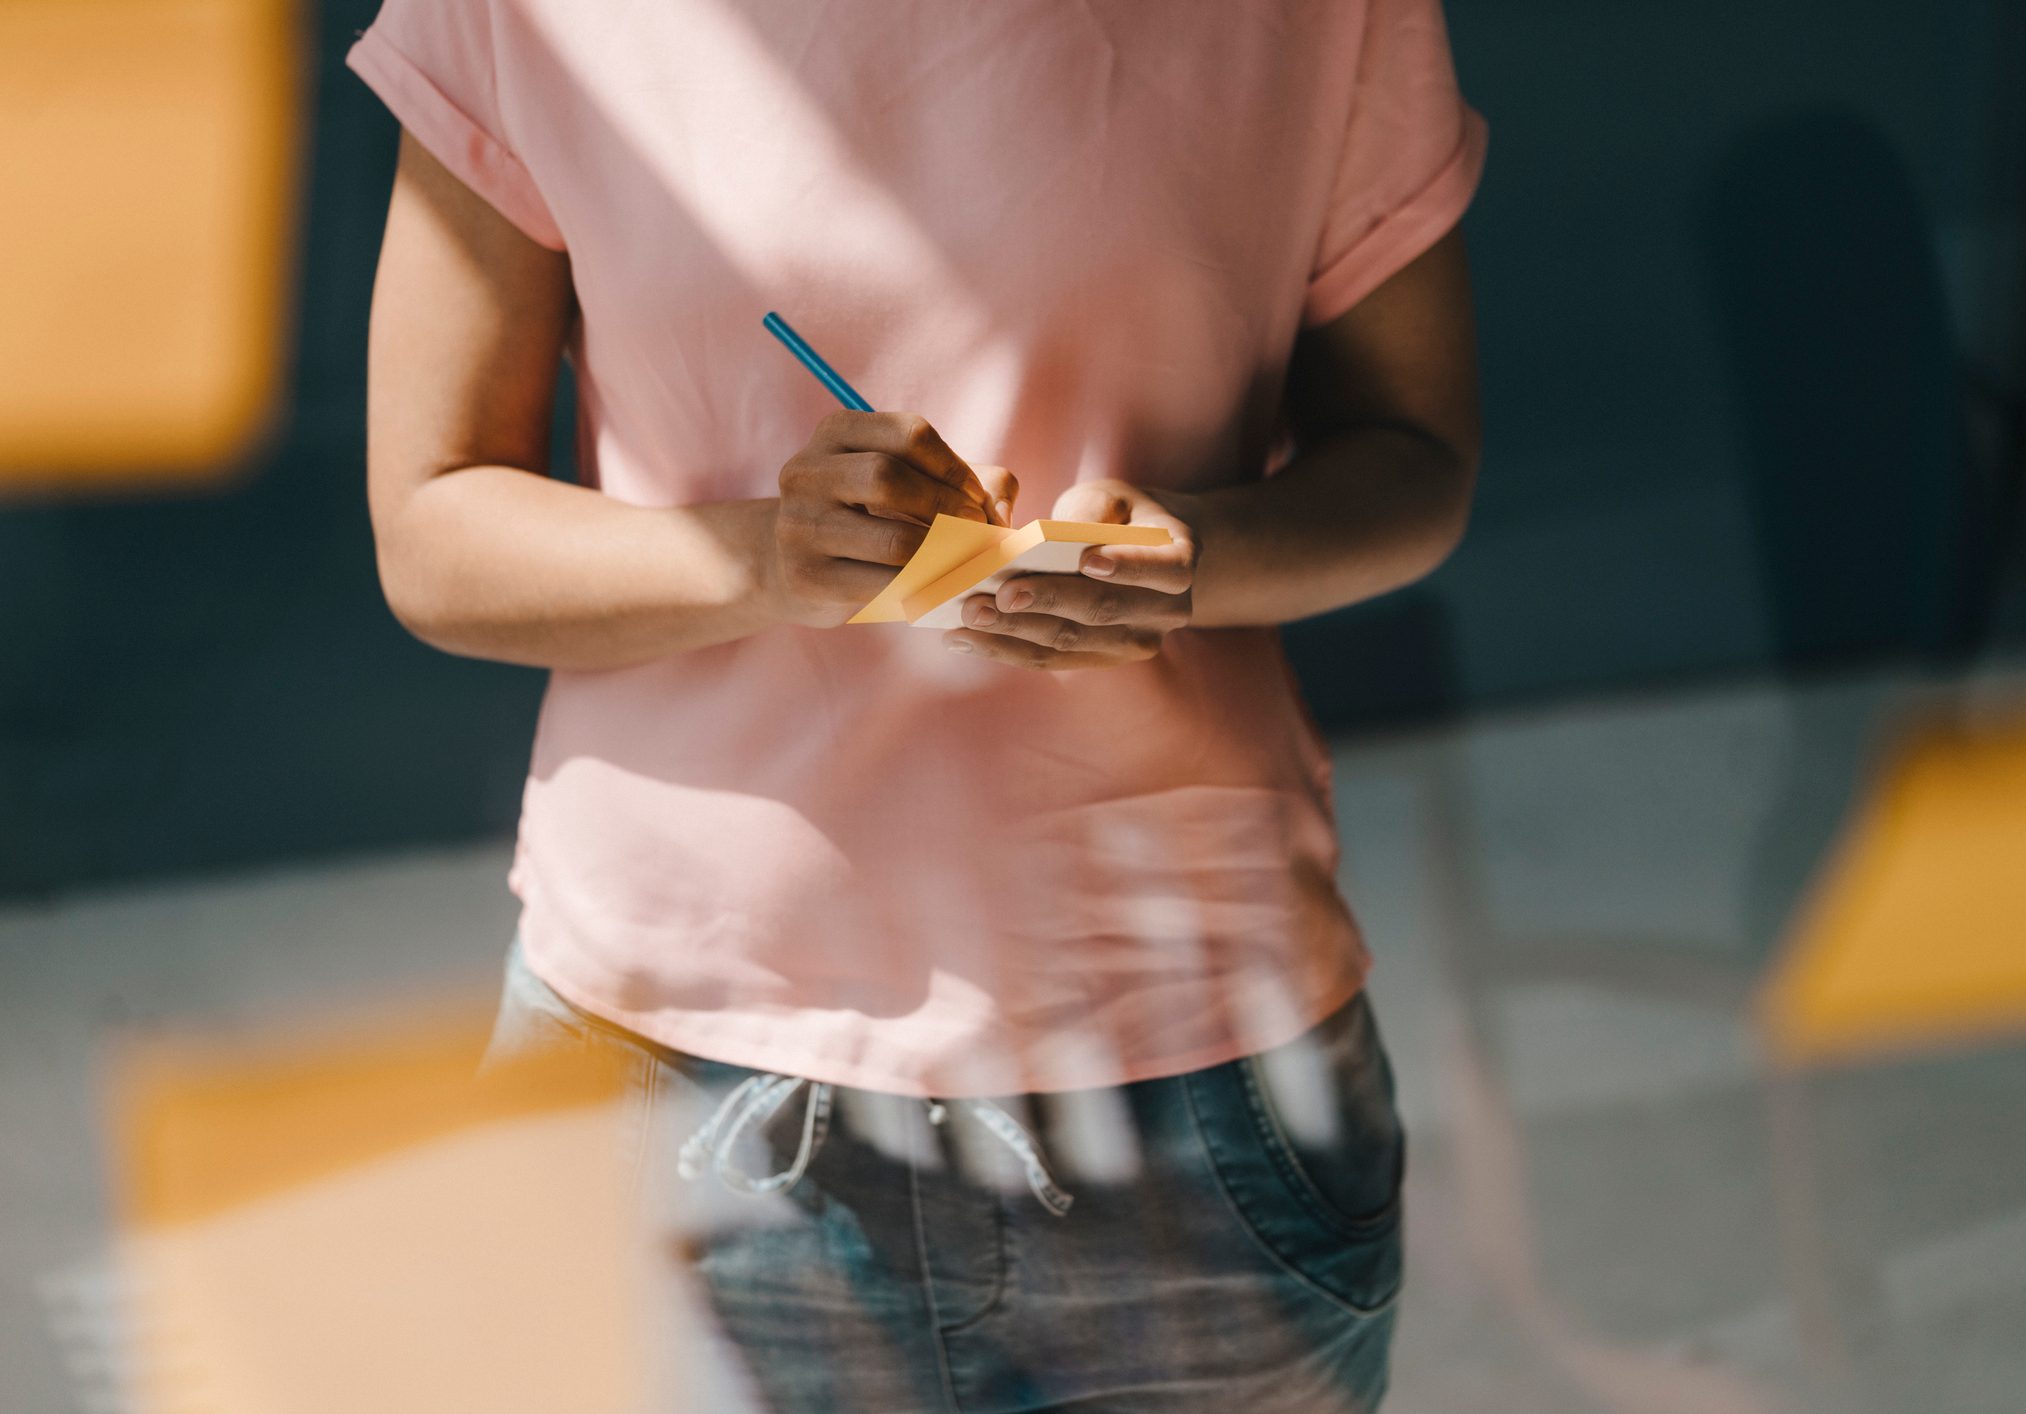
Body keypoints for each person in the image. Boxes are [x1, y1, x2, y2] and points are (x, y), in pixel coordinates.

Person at [350, 1, 1485, 1408]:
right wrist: (765, 555)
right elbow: (434, 525)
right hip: (667, 1068)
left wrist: (1193, 559)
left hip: (1191, 1077)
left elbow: (1414, 451)